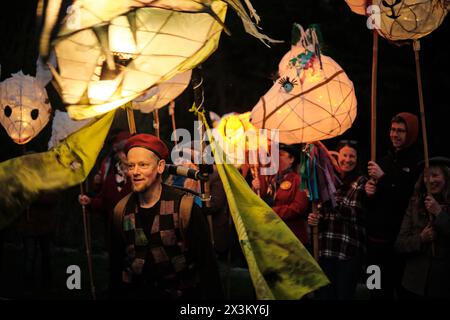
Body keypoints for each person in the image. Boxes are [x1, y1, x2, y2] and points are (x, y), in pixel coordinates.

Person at [113, 133, 223, 299]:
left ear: (160, 167)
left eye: (143, 165)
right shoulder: (120, 211)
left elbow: (207, 267)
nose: (135, 172)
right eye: (131, 166)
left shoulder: (184, 208)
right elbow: (115, 268)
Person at [308, 140, 376, 300]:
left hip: (348, 252)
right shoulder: (329, 181)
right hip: (326, 250)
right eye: (344, 155)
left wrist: (332, 198)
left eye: (352, 156)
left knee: (343, 295)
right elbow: (322, 213)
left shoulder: (362, 182)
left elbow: (354, 213)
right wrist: (314, 219)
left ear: (358, 159)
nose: (347, 159)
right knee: (325, 296)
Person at [366, 112, 421, 299]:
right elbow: (373, 201)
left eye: (401, 131)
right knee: (374, 289)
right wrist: (368, 191)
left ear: (411, 134)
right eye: (392, 130)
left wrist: (383, 178)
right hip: (375, 242)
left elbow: (406, 198)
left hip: (398, 244)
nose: (394, 135)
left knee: (398, 290)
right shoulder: (383, 160)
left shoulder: (418, 164)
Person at [78, 130, 132, 297]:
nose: (125, 155)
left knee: (134, 263)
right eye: (122, 152)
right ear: (117, 153)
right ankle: (115, 290)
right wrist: (90, 202)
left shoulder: (139, 175)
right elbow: (104, 201)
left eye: (128, 151)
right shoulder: (110, 175)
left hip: (135, 229)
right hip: (113, 228)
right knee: (115, 261)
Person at [395, 157, 450, 299]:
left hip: (443, 283)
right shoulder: (415, 203)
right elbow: (400, 243)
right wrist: (421, 238)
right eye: (426, 176)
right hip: (414, 283)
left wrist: (438, 213)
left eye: (435, 175)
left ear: (446, 177)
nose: (430, 180)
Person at [252, 143, 309, 245]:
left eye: (281, 155)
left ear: (291, 159)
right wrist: (256, 189)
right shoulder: (270, 179)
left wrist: (271, 212)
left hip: (291, 237)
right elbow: (259, 201)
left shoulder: (299, 180)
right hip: (272, 236)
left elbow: (298, 208)